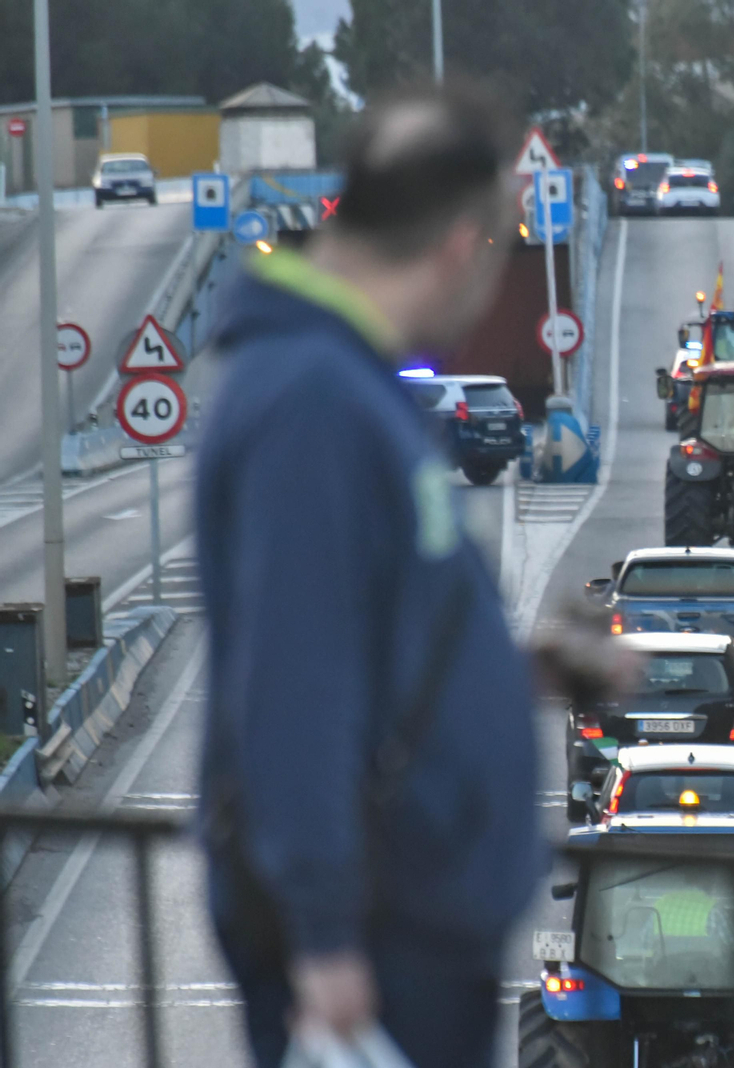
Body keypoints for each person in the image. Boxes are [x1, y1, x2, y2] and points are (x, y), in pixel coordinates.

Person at [196, 83, 539, 1068]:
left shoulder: (344, 381)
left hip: (409, 921)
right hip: (380, 951)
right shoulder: (313, 403)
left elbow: (365, 630)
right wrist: (325, 935)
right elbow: (293, 687)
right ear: (456, 248)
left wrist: (518, 674)